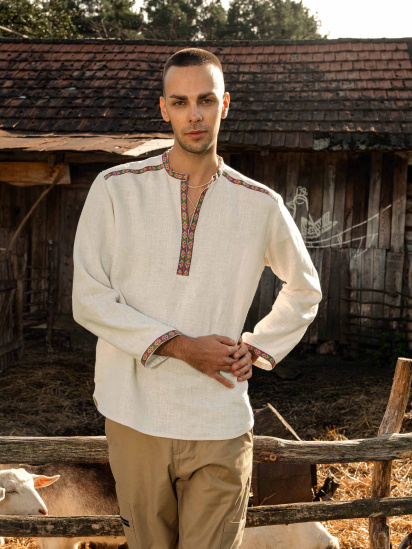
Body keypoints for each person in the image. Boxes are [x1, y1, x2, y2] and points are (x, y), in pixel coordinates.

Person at [72, 47, 322, 549]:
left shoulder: (260, 203)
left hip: (219, 419)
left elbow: (305, 288)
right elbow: (89, 298)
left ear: (224, 105)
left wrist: (258, 347)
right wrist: (184, 347)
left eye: (205, 100)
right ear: (164, 108)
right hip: (134, 414)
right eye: (180, 102)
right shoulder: (115, 188)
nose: (194, 115)